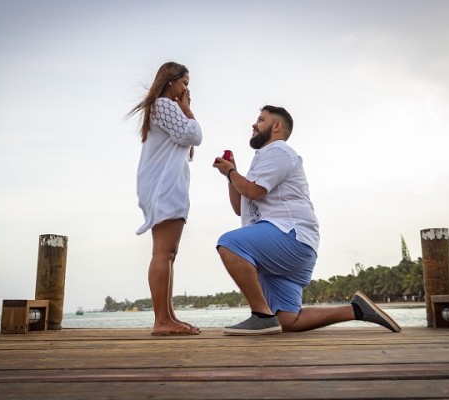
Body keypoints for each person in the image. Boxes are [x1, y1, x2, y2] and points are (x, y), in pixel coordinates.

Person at [212, 105, 401, 335]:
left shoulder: (279, 151)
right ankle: (356, 311)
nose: (254, 124)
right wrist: (231, 174)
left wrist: (233, 173)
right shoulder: (263, 161)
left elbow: (253, 192)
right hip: (289, 251)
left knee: (229, 243)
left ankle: (261, 315)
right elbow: (239, 207)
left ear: (277, 126)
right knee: (289, 320)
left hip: (290, 238)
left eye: (261, 120)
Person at [129, 62, 202, 336]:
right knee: (163, 252)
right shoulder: (166, 106)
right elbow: (194, 135)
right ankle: (162, 320)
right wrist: (187, 110)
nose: (186, 90)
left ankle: (168, 316)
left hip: (162, 185)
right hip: (165, 186)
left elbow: (188, 148)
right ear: (170, 81)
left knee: (168, 253)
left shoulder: (159, 109)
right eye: (184, 83)